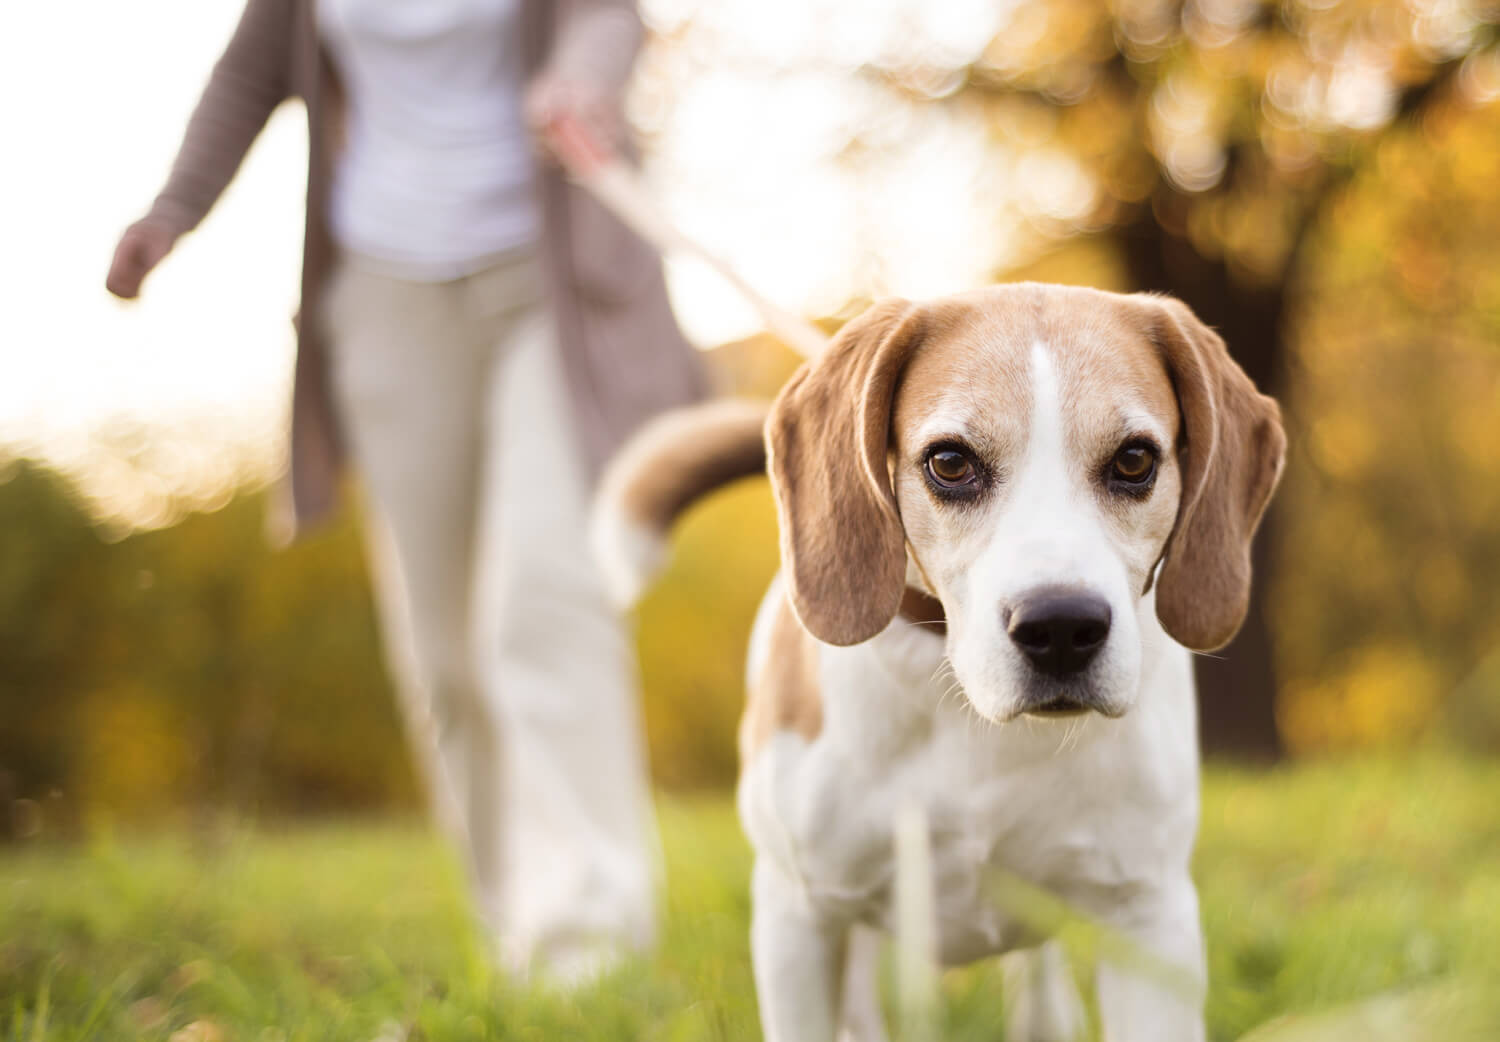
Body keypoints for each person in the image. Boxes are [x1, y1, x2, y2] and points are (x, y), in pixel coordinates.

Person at [106, 0, 707, 982]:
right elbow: (249, 74)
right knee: (444, 651)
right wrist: (174, 209)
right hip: (386, 296)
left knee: (544, 600)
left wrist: (580, 77)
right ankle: (520, 930)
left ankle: (594, 941)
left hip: (548, 280)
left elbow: (608, 13)